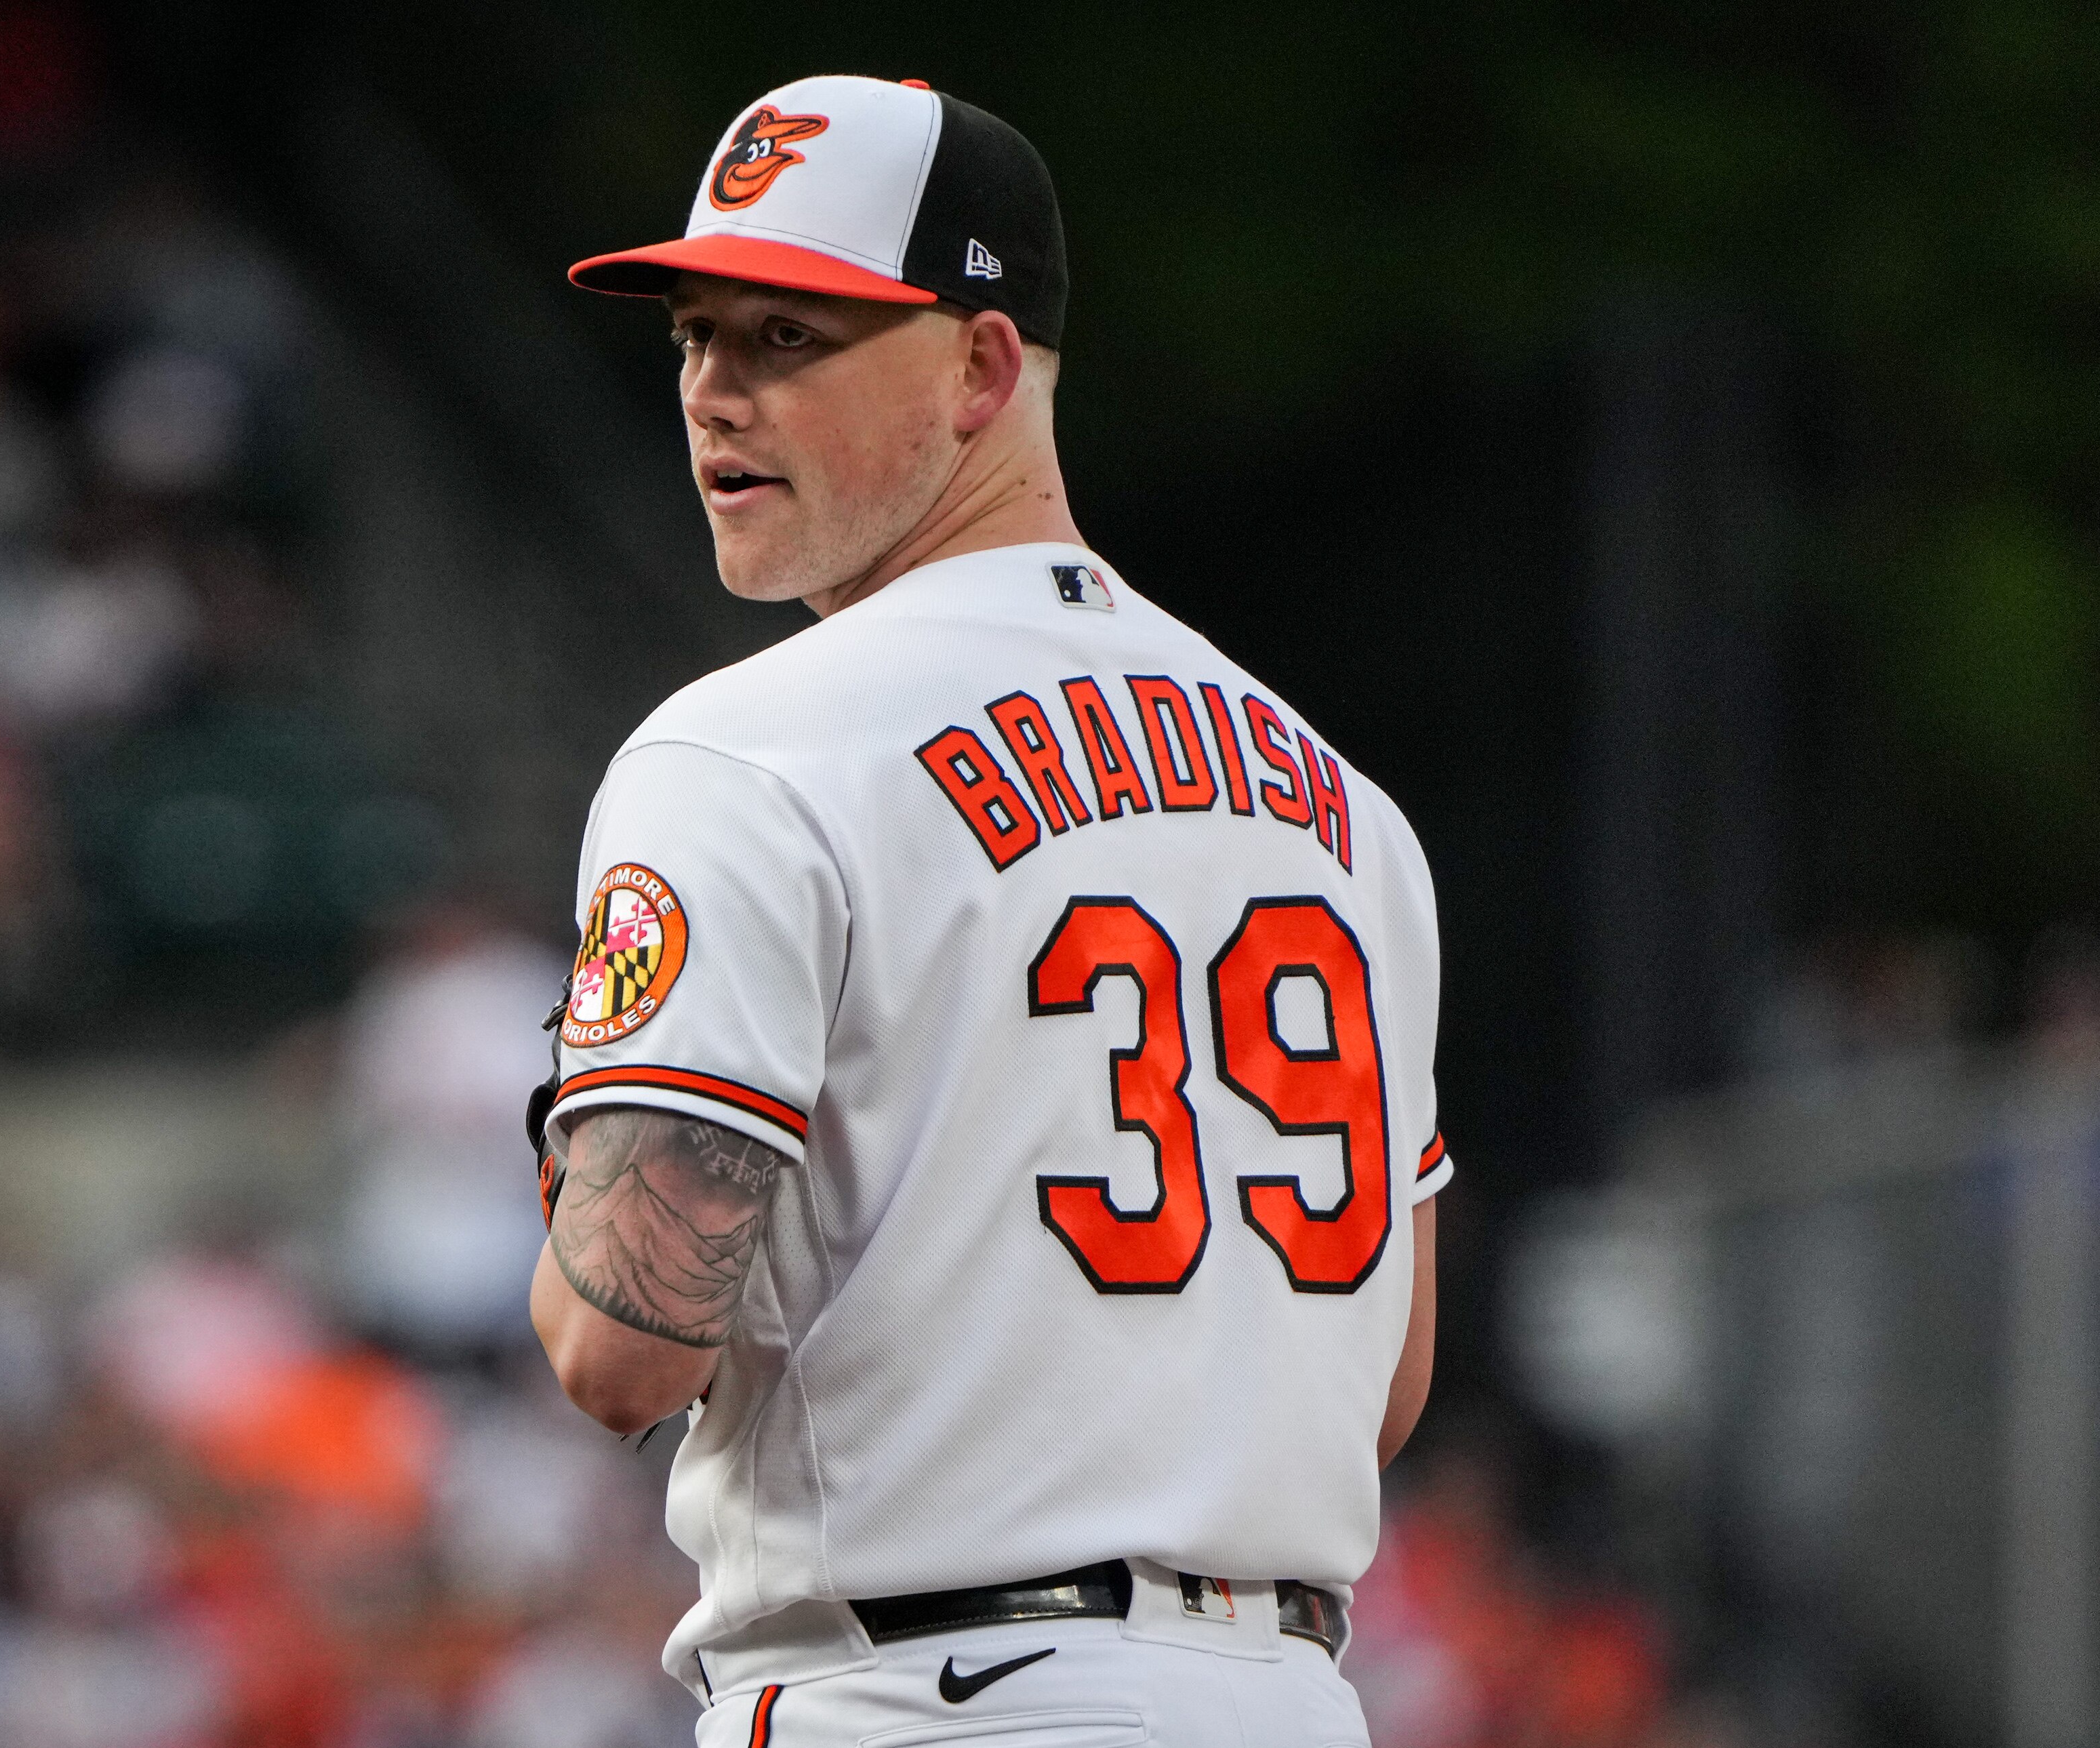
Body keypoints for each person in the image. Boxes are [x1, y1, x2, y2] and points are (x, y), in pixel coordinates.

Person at [527, 74, 1449, 1747]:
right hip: (1285, 1703)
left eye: (791, 339)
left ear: (982, 366)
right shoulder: (1342, 811)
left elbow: (620, 1348)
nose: (717, 393)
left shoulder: (747, 749)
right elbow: (1381, 1382)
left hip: (921, 1700)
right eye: (693, 337)